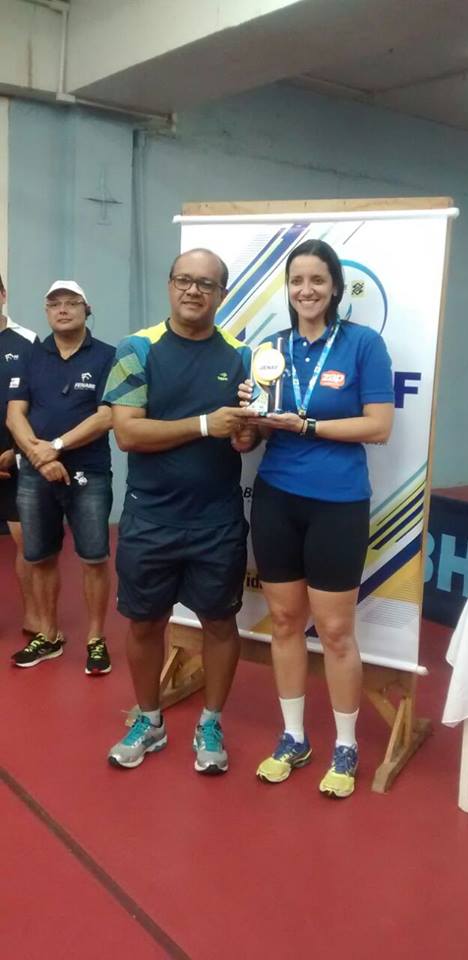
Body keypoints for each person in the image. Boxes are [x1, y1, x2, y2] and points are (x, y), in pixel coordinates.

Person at [240, 239, 395, 798]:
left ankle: (346, 744)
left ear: (335, 287)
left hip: (338, 502)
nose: (306, 290)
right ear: (287, 289)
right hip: (277, 497)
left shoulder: (363, 344)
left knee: (334, 631)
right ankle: (293, 736)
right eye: (297, 280)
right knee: (284, 622)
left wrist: (308, 426)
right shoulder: (270, 350)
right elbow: (253, 434)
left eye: (317, 280)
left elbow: (379, 426)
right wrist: (247, 424)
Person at [104, 248, 256, 774]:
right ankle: (150, 720)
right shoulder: (137, 348)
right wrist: (205, 424)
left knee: (220, 621)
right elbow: (127, 433)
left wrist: (246, 434)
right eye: (184, 280)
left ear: (222, 294)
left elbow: (247, 433)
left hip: (217, 519)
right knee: (145, 622)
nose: (194, 290)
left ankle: (210, 722)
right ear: (170, 285)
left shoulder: (242, 355)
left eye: (206, 284)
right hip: (150, 517)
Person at [7, 280, 115, 675]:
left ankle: (96, 639)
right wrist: (39, 456)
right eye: (55, 304)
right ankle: (48, 635)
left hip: (89, 473)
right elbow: (15, 415)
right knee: (38, 556)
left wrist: (56, 446)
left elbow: (107, 416)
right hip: (36, 473)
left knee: (94, 558)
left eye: (71, 303)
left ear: (87, 309)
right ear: (47, 311)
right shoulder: (31, 355)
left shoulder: (107, 356)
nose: (63, 309)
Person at [0, 272, 40, 638]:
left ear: (2, 294)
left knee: (27, 544)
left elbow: (38, 404)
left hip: (14, 462)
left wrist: (16, 451)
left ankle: (34, 617)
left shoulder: (27, 341)